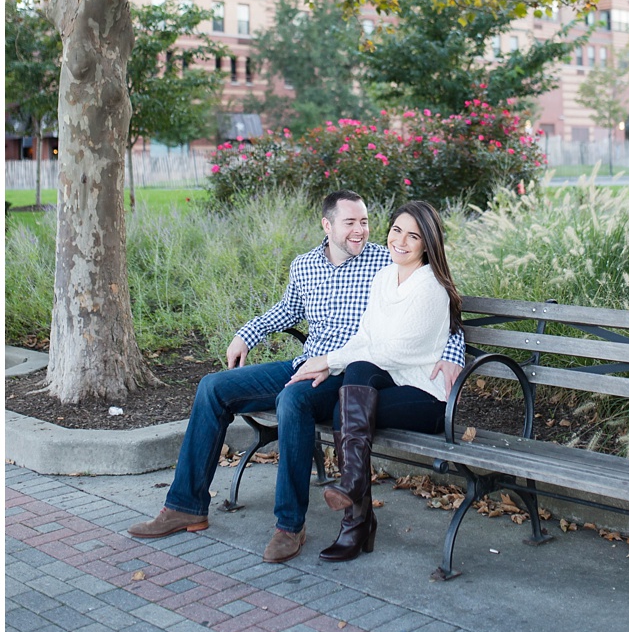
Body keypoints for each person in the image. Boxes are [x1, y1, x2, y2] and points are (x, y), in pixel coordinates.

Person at [127, 190, 466, 564]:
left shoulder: (386, 260)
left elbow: (439, 308)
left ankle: (289, 525)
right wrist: (247, 333)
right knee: (213, 387)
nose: (360, 232)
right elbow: (286, 310)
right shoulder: (305, 266)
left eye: (365, 222)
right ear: (327, 225)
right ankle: (186, 505)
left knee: (293, 400)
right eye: (350, 223)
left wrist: (452, 354)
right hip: (308, 362)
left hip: (348, 372)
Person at [284, 200, 463, 562]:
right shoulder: (384, 277)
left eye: (413, 235)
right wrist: (331, 366)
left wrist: (329, 359)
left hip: (427, 397)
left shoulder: (430, 288)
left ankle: (356, 519)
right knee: (352, 387)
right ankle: (357, 514)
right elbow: (365, 339)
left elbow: (393, 351)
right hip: (393, 383)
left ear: (426, 244)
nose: (401, 240)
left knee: (347, 403)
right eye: (397, 230)